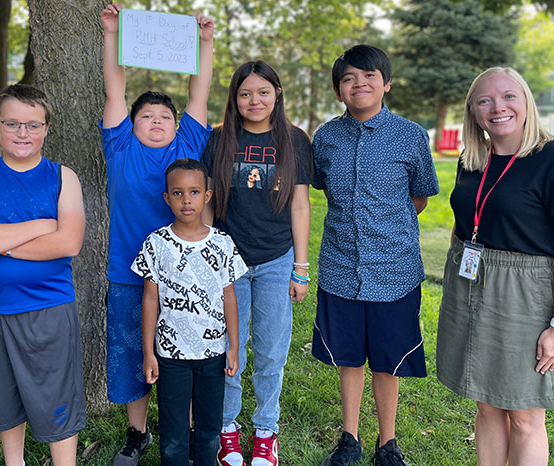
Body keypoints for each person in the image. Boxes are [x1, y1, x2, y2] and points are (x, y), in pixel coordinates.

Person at [311, 45, 439, 466]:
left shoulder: (412, 136)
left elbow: (418, 198)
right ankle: (349, 438)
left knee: (387, 361)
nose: (359, 84)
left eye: (369, 76)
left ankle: (388, 443)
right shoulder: (326, 138)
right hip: (340, 267)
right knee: (348, 357)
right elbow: (326, 191)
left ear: (386, 84)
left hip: (395, 269)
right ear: (338, 90)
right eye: (349, 78)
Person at [100, 4, 214, 465]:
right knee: (132, 356)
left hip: (186, 277)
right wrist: (112, 34)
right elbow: (115, 86)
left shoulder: (188, 146)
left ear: (175, 125)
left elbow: (199, 92)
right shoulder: (119, 146)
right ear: (131, 124)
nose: (156, 122)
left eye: (163, 117)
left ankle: (183, 430)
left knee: (184, 355)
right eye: (146, 116)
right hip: (128, 272)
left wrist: (205, 44)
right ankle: (137, 432)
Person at [0, 84, 86, 466]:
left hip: (50, 308)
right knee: (6, 396)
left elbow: (68, 244)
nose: (22, 133)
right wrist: (43, 224)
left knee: (56, 396)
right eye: (13, 123)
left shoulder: (64, 178)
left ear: (47, 128)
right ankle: (15, 463)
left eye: (32, 124)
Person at [436, 67, 554, 466]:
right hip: (470, 285)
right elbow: (465, 220)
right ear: (473, 111)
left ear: (525, 103)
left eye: (508, 97)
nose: (497, 107)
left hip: (525, 294)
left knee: (523, 414)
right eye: (484, 100)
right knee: (486, 405)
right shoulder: (472, 161)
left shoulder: (549, 158)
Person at [201, 60, 312, 466]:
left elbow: (300, 206)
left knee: (271, 350)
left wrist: (301, 267)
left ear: (277, 95)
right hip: (229, 261)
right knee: (230, 346)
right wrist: (208, 256)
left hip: (276, 259)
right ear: (234, 98)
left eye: (263, 92)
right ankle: (227, 429)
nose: (254, 100)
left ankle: (266, 430)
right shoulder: (219, 140)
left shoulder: (295, 141)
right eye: (245, 93)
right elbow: (209, 201)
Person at [131, 158, 246, 466]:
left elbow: (229, 296)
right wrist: (148, 353)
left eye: (194, 192)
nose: (186, 200)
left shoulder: (222, 244)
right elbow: (150, 300)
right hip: (170, 356)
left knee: (209, 431)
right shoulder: (156, 244)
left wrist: (234, 346)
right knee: (173, 433)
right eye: (178, 193)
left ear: (207, 195)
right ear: (167, 198)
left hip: (213, 353)